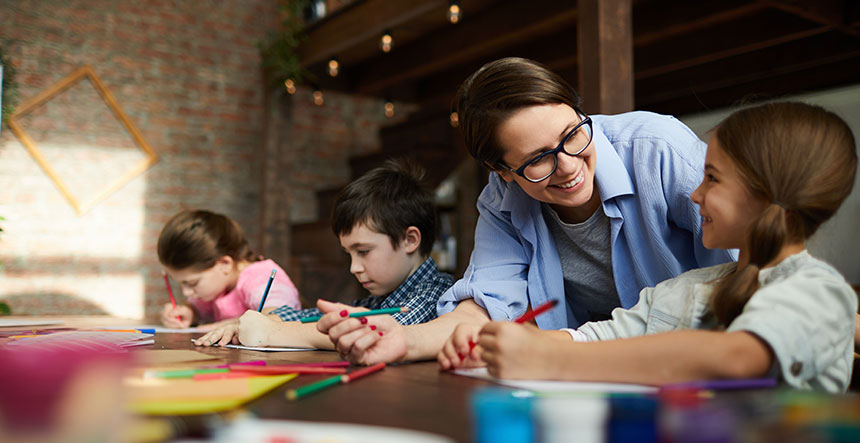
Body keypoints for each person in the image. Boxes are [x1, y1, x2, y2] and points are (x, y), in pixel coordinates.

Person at [317, 57, 736, 366]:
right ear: (501, 172)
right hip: (597, 366)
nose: (570, 165)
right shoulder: (502, 200)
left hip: (708, 355)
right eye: (539, 159)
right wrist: (404, 341)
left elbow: (758, 262)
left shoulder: (658, 150)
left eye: (572, 134)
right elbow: (484, 306)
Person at [474, 102, 858, 392]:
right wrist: (500, 344)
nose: (694, 194)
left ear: (763, 193)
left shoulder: (817, 291)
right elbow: (600, 336)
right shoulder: (688, 288)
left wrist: (551, 358)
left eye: (712, 178)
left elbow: (737, 358)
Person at [193, 159, 455, 349]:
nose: (354, 268)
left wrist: (274, 332)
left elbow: (380, 333)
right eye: (349, 254)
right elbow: (316, 317)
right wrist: (263, 319)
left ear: (410, 240)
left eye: (363, 251)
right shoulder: (382, 299)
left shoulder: (436, 292)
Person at [158, 209, 300, 330]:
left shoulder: (259, 277)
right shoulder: (216, 287)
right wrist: (188, 313)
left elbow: (280, 315)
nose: (186, 292)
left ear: (224, 264)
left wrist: (221, 326)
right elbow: (199, 310)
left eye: (193, 283)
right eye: (180, 283)